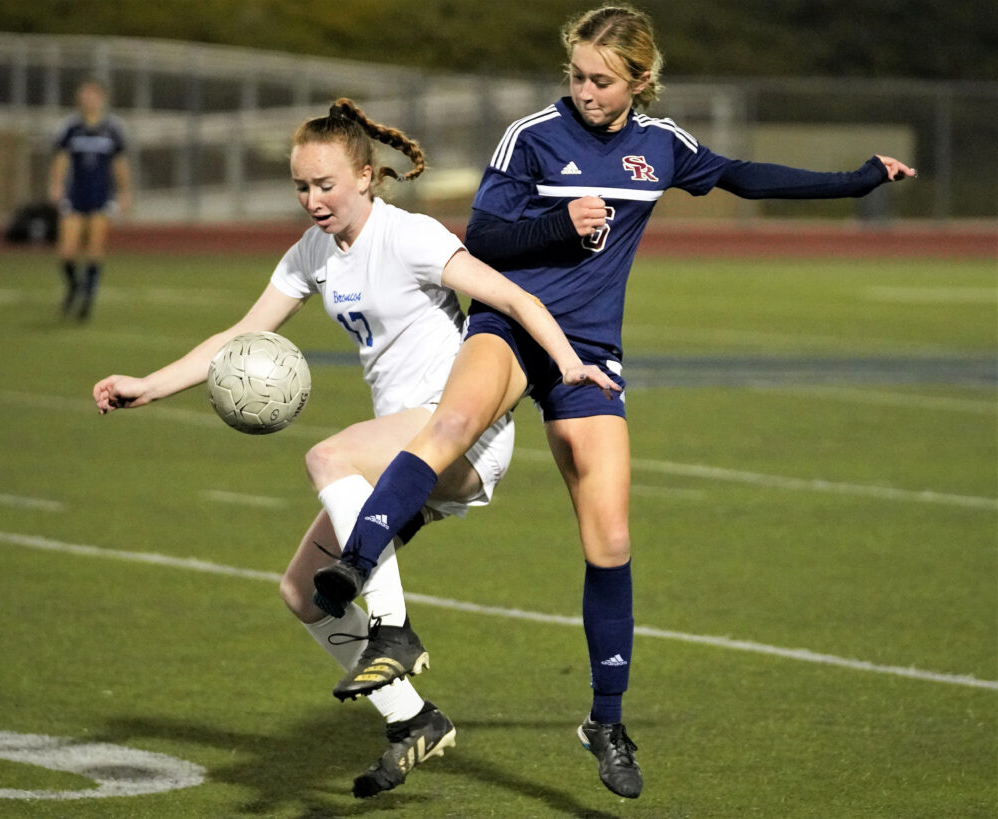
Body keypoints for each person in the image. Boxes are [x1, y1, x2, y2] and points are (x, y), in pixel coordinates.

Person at [312, 4, 917, 801]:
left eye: (602, 79)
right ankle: (357, 575)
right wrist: (559, 224)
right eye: (577, 75)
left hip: (589, 352)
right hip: (511, 325)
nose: (586, 90)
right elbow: (484, 238)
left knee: (611, 537)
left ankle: (605, 720)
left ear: (639, 80)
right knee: (449, 426)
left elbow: (742, 174)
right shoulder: (532, 134)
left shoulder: (660, 147)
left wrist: (858, 179)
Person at [91, 98, 616, 799]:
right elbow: (243, 334)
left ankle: (394, 631)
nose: (313, 199)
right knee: (303, 594)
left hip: (460, 433)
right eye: (302, 187)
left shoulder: (411, 237)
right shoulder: (312, 252)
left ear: (367, 176)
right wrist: (150, 386)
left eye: (326, 184)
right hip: (399, 449)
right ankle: (413, 720)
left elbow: (514, 300)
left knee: (329, 457)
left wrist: (569, 361)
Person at [49, 76, 132, 321]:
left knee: (95, 248)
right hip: (75, 195)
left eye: (93, 95)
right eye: (84, 95)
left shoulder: (112, 130)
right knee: (67, 251)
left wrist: (125, 192)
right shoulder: (71, 128)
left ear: (102, 98)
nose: (88, 99)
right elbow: (61, 159)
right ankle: (75, 285)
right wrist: (56, 185)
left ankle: (88, 298)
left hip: (100, 196)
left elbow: (120, 164)